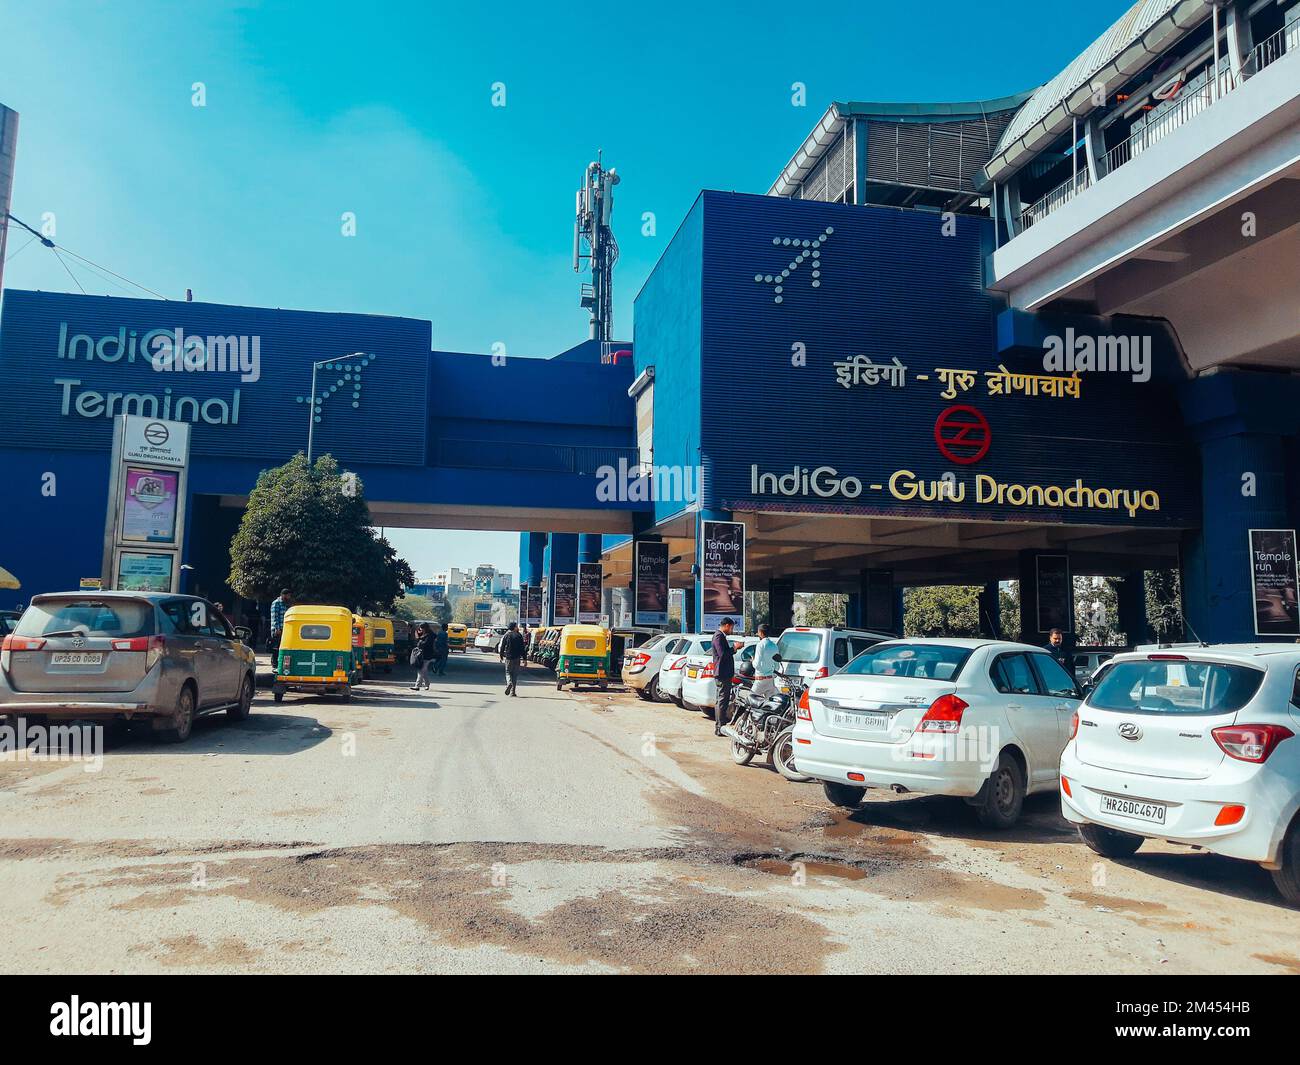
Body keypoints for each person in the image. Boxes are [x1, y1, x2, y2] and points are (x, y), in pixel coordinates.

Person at [711, 617, 737, 736]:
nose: (732, 630)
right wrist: (734, 648)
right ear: (726, 625)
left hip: (724, 673)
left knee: (722, 700)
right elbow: (722, 654)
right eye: (731, 628)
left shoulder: (721, 636)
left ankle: (720, 726)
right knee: (722, 701)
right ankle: (720, 727)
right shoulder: (718, 636)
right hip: (722, 673)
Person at [752, 623, 779, 698]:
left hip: (760, 679)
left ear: (760, 632)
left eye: (758, 632)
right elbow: (777, 664)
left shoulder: (760, 645)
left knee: (750, 699)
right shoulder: (774, 645)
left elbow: (756, 664)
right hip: (770, 680)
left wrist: (752, 661)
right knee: (769, 702)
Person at [499, 621, 526, 697]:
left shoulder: (506, 635)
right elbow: (522, 648)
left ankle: (509, 683)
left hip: (508, 658)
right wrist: (525, 659)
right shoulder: (519, 635)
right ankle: (512, 692)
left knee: (508, 672)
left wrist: (501, 656)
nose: (517, 627)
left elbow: (502, 647)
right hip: (517, 658)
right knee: (515, 674)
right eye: (516, 626)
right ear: (514, 627)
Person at [410, 624, 436, 690]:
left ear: (425, 628)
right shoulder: (424, 634)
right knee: (423, 671)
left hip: (427, 655)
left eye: (421, 628)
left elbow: (424, 644)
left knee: (421, 670)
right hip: (422, 655)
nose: (421, 630)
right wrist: (417, 634)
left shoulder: (430, 636)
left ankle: (417, 686)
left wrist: (419, 640)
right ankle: (427, 684)